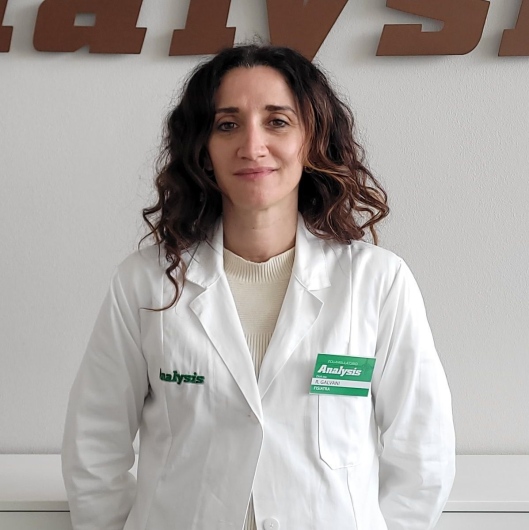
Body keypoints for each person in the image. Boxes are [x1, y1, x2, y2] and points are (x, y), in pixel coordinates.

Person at [62, 44, 455, 530]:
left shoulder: (377, 282)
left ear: (312, 139)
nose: (252, 146)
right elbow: (94, 445)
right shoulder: (145, 283)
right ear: (203, 150)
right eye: (227, 125)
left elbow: (423, 453)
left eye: (277, 122)